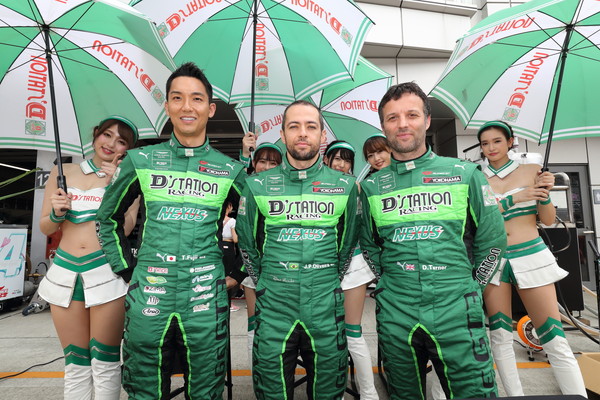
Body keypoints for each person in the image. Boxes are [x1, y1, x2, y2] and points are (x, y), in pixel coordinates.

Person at [96, 62, 247, 399]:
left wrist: (238, 272)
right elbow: (106, 218)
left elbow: (255, 227)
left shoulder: (231, 170)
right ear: (167, 106)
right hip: (150, 292)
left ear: (210, 109)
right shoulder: (140, 160)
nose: (186, 106)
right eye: (177, 98)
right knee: (144, 386)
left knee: (206, 388)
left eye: (196, 99)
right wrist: (127, 269)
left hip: (205, 296)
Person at [360, 82, 506, 399]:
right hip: (396, 310)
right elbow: (368, 244)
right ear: (383, 126)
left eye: (411, 115)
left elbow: (493, 239)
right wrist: (388, 281)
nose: (402, 124)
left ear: (427, 120)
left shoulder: (465, 173)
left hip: (457, 308)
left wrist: (471, 287)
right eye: (393, 117)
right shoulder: (371, 187)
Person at [237, 100, 360, 399]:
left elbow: (348, 242)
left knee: (328, 390)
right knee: (271, 390)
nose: (302, 133)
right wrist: (265, 280)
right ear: (282, 134)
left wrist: (328, 277)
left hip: (325, 302)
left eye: (310, 126)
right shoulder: (257, 184)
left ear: (322, 136)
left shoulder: (346, 186)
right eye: (294, 126)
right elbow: (247, 241)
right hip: (274, 303)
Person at [478, 120, 588, 397]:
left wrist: (544, 194)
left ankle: (577, 395)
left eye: (497, 141)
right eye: (485, 143)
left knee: (553, 336)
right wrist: (514, 199)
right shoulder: (476, 178)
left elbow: (548, 220)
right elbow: (477, 219)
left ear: (510, 141)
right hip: (493, 259)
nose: (491, 147)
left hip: (531, 255)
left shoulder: (531, 171)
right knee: (499, 337)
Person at [38, 116, 139, 399]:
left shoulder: (128, 177)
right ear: (95, 134)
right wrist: (56, 213)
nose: (111, 144)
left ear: (127, 149)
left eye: (121, 141)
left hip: (106, 272)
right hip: (64, 272)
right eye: (107, 135)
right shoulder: (63, 170)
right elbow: (46, 227)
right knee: (75, 363)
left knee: (106, 362)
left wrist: (117, 185)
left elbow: (126, 228)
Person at [323, 140, 379, 400]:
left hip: (353, 266)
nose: (341, 164)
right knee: (327, 334)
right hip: (321, 267)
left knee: (352, 332)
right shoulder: (315, 187)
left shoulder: (356, 188)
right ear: (326, 160)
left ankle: (369, 393)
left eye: (346, 160)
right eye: (337, 158)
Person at [238, 140, 284, 369]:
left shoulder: (286, 189)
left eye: (273, 163)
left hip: (281, 270)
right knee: (255, 324)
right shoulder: (247, 185)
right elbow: (237, 179)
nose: (266, 167)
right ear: (254, 163)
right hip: (251, 267)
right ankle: (258, 377)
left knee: (280, 328)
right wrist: (243, 153)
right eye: (262, 161)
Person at [221, 200, 241, 312]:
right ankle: (228, 302)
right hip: (228, 248)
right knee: (228, 275)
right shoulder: (232, 221)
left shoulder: (217, 220)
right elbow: (235, 239)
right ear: (228, 207)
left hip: (219, 247)